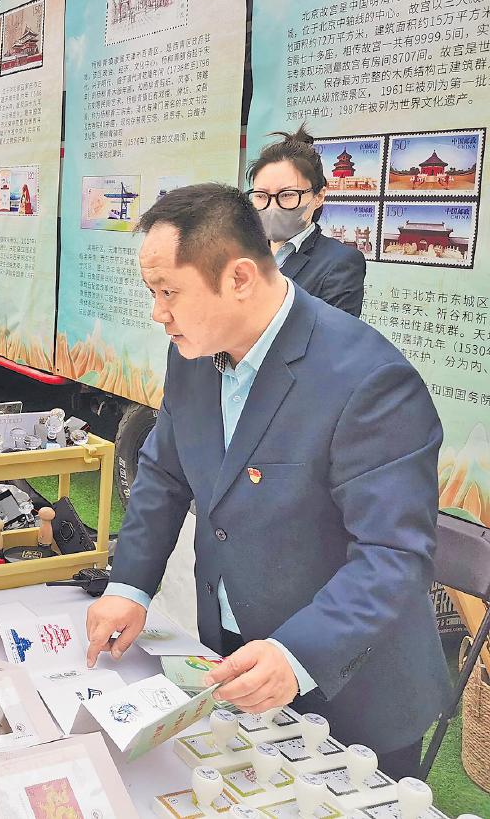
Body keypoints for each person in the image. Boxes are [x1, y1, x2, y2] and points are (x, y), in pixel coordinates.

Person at [84, 183, 449, 780]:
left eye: (169, 292)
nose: (158, 313)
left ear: (240, 278)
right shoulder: (193, 354)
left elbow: (392, 553)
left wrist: (296, 652)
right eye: (152, 292)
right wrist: (130, 584)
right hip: (233, 652)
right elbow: (165, 473)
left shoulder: (368, 380)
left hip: (346, 680)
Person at [246, 125, 366, 317]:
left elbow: (333, 332)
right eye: (261, 195)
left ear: (319, 197)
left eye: (287, 195)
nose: (272, 207)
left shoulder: (340, 262)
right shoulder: (241, 252)